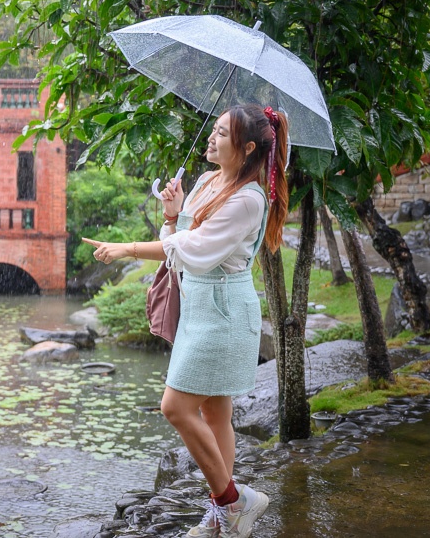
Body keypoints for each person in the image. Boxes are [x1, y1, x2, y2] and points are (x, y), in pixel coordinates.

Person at [83, 104, 288, 538]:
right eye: (212, 131)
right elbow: (181, 244)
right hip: (200, 307)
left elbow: (194, 250)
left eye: (221, 134)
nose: (211, 139)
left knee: (175, 407)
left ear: (247, 148)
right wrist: (172, 215)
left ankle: (234, 501)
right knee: (216, 414)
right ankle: (222, 520)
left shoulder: (249, 200)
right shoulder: (209, 181)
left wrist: (127, 248)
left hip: (223, 313)